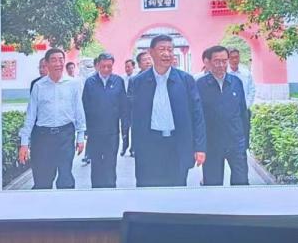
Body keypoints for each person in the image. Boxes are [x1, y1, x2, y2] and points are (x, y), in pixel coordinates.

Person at [127, 35, 206, 187]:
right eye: (162, 49)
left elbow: (197, 115)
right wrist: (136, 146)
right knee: (148, 188)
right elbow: (133, 116)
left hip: (177, 144)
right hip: (149, 145)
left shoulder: (186, 80)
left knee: (176, 189)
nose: (167, 53)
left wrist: (200, 147)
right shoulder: (138, 82)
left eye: (170, 49)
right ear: (151, 52)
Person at [18, 48, 86, 189]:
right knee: (43, 181)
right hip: (43, 137)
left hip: (65, 136)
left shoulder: (73, 84)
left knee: (65, 179)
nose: (58, 63)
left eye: (61, 60)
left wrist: (80, 136)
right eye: (54, 60)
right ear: (47, 64)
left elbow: (79, 111)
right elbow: (31, 115)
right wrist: (24, 143)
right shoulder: (39, 86)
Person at [196, 45, 249, 186]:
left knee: (241, 182)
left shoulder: (236, 82)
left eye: (224, 61)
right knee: (213, 185)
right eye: (217, 61)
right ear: (208, 62)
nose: (221, 65)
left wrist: (245, 141)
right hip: (212, 144)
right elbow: (197, 118)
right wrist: (199, 146)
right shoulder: (199, 85)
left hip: (236, 142)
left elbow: (243, 113)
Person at [81, 52, 128, 188]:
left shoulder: (118, 81)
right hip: (95, 132)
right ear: (98, 66)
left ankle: (111, 189)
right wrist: (85, 130)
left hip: (112, 132)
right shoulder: (90, 82)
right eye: (103, 66)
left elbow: (123, 106)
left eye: (109, 66)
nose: (106, 69)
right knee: (96, 164)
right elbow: (85, 106)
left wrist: (124, 128)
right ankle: (96, 190)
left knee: (110, 163)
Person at [227, 48, 256, 149]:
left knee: (244, 134)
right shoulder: (225, 74)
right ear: (228, 59)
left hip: (244, 110)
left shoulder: (246, 73)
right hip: (229, 111)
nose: (235, 60)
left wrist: (246, 105)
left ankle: (244, 152)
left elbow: (252, 90)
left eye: (237, 57)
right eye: (232, 58)